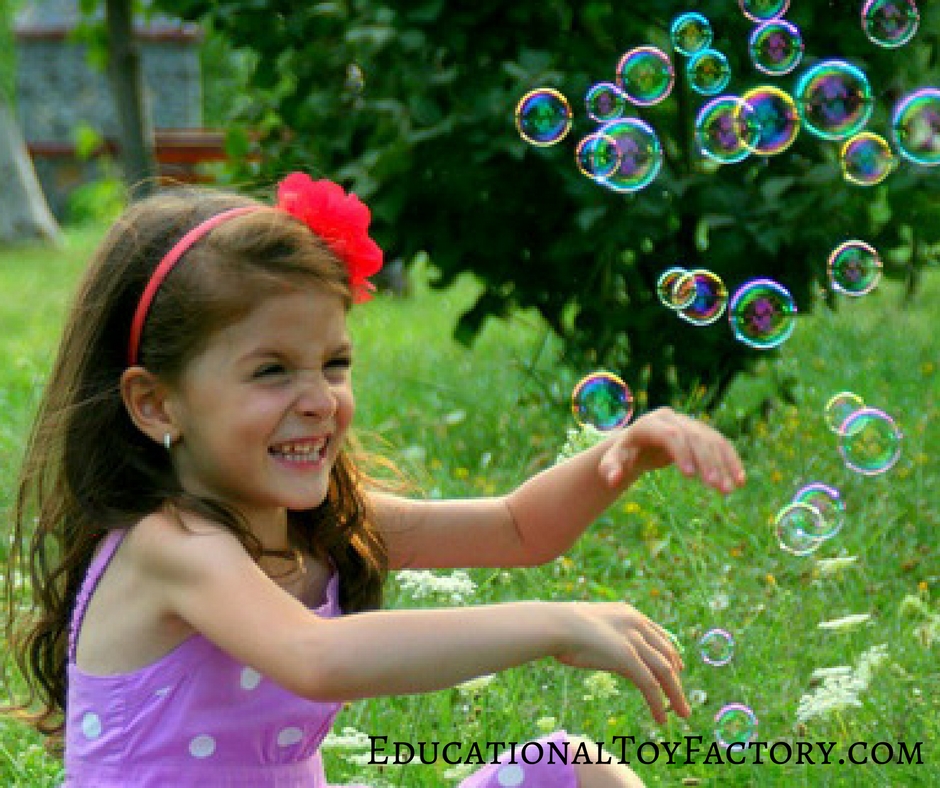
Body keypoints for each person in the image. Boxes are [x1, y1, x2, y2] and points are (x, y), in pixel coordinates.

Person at [2, 173, 746, 787]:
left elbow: (521, 529)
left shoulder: (318, 523)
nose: (320, 399)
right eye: (271, 371)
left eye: (334, 363)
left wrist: (627, 450)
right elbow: (319, 659)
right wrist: (552, 624)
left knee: (576, 772)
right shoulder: (172, 545)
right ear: (156, 402)